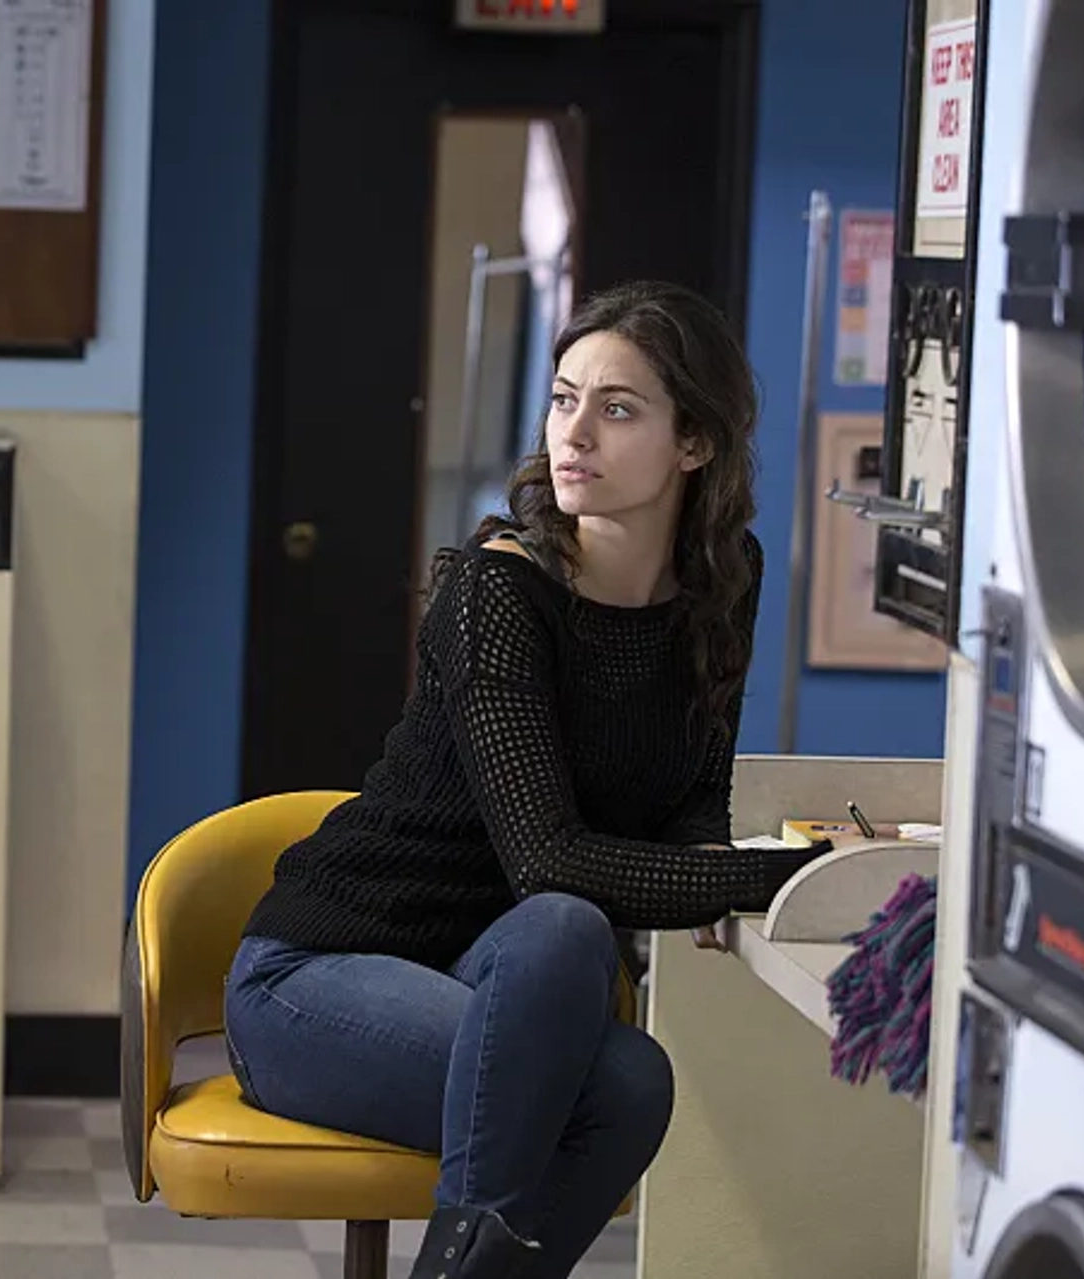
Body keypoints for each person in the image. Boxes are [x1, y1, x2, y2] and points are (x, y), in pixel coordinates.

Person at [224, 281, 828, 1279]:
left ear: (696, 444)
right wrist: (773, 878)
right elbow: (550, 860)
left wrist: (707, 862)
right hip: (313, 982)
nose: (574, 432)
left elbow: (688, 789)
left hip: (492, 979)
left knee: (632, 1071)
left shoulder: (726, 582)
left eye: (617, 407)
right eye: (562, 398)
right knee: (576, 948)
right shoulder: (497, 591)